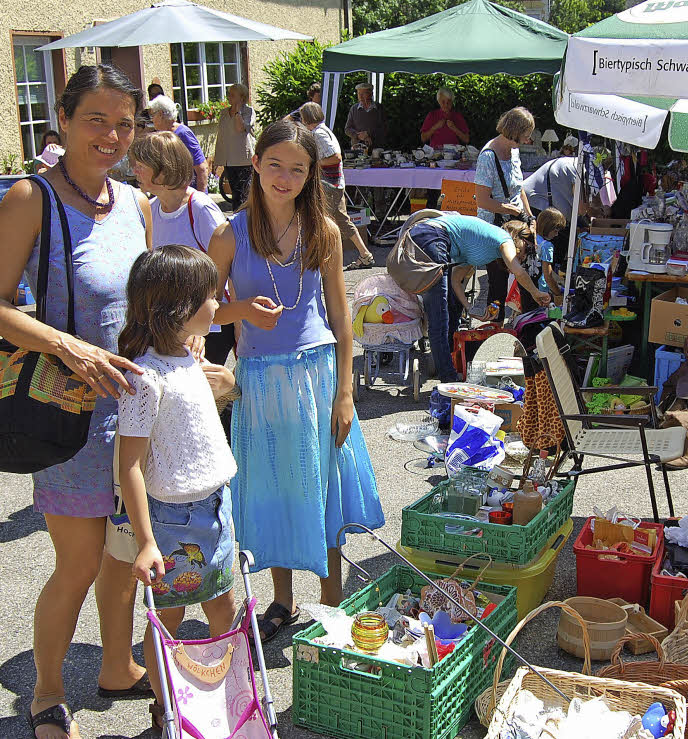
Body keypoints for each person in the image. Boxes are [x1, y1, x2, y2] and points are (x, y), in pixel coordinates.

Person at [0, 63, 153, 739]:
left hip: (132, 410)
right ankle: (47, 693)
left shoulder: (136, 203)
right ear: (63, 120)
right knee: (80, 559)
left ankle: (117, 663)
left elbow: (145, 304)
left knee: (125, 551)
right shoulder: (32, 197)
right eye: (96, 119)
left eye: (124, 123)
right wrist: (71, 347)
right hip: (67, 411)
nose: (112, 135)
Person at [206, 119, 383, 642]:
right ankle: (282, 600)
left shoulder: (323, 231)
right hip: (259, 382)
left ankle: (331, 604)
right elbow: (202, 309)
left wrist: (346, 391)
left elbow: (341, 317)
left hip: (317, 378)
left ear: (311, 176)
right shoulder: (228, 233)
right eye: (276, 165)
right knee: (274, 487)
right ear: (255, 164)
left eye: (298, 169)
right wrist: (239, 309)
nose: (285, 178)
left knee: (321, 486)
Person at [114, 245, 238, 733]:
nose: (218, 302)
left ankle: (224, 694)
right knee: (167, 616)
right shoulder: (145, 378)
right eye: (211, 296)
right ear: (179, 307)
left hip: (214, 506)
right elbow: (130, 467)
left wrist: (222, 379)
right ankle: (168, 708)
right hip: (173, 519)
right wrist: (145, 541)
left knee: (223, 607)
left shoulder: (187, 356)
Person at [130, 131, 235, 368]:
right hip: (175, 322)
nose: (135, 170)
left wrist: (209, 326)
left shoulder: (199, 208)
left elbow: (228, 268)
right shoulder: (152, 208)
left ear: (163, 167)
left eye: (141, 165)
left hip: (208, 323)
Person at [405, 212, 551, 381]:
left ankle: (447, 366)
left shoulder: (482, 245)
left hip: (424, 234)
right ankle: (449, 379)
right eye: (527, 249)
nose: (524, 256)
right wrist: (536, 293)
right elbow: (519, 271)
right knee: (440, 317)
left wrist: (470, 308)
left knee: (449, 311)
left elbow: (456, 280)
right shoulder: (504, 239)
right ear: (519, 239)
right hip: (432, 235)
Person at [298, 102, 375, 270]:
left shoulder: (319, 134)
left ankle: (318, 258)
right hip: (335, 183)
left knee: (316, 220)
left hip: (328, 185)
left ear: (307, 118)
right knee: (342, 220)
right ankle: (365, 254)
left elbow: (336, 157)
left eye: (303, 118)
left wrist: (314, 163)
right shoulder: (323, 131)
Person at [475, 106, 535, 226]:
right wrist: (512, 211)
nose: (528, 141)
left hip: (515, 223)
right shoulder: (488, 157)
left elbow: (518, 188)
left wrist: (530, 218)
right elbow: (482, 201)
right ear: (515, 133)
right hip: (493, 225)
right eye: (526, 136)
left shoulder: (514, 151)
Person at [147, 95, 208, 193]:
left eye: (153, 115)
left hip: (190, 194)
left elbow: (201, 167)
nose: (152, 119)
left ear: (161, 114)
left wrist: (201, 197)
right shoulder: (162, 135)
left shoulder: (183, 134)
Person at [212, 83, 255, 212]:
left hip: (243, 159)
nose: (229, 97)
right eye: (228, 94)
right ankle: (238, 219)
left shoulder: (249, 111)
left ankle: (245, 220)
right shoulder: (224, 113)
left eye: (232, 95)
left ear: (241, 98)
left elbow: (240, 128)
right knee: (235, 193)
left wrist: (237, 112)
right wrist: (218, 158)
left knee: (243, 194)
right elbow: (222, 136)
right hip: (229, 159)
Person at [523, 155, 578, 222]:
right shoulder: (577, 169)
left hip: (535, 200)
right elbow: (581, 208)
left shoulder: (572, 164)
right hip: (535, 204)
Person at [535, 207, 566, 303]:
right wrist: (558, 293)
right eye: (555, 231)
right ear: (548, 228)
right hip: (542, 290)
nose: (556, 235)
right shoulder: (547, 246)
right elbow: (548, 276)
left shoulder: (533, 237)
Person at [344, 82, 386, 149]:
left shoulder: (379, 108)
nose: (360, 96)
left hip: (376, 148)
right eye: (358, 93)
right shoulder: (354, 109)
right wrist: (358, 135)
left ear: (371, 94)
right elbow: (347, 129)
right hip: (358, 147)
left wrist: (368, 134)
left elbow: (384, 128)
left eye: (363, 93)